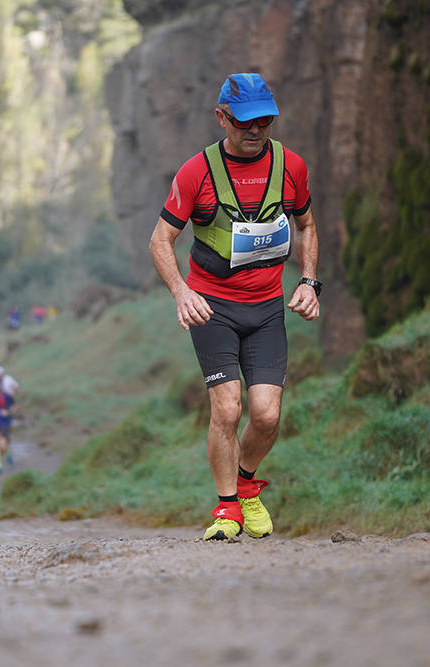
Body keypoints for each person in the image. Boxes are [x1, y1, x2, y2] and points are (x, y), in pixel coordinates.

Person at [148, 73, 321, 541]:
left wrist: (308, 282)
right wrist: (182, 292)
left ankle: (246, 484)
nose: (256, 129)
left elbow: (306, 226)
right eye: (245, 121)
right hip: (212, 307)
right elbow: (161, 239)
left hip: (266, 307)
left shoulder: (291, 166)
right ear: (221, 117)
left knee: (265, 415)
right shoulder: (196, 172)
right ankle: (228, 510)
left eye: (265, 120)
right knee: (227, 409)